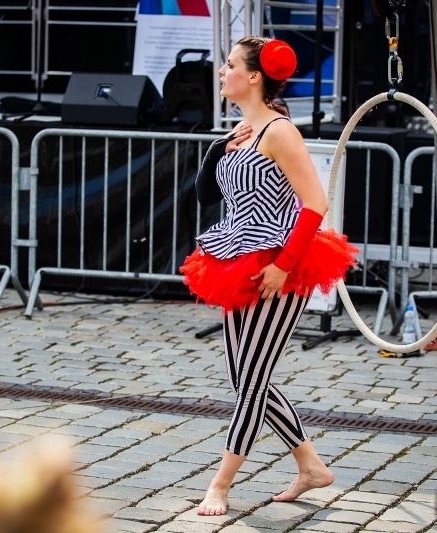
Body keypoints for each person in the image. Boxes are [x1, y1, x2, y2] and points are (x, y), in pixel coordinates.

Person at [179, 36, 359, 516]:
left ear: (254, 76)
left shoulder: (280, 132)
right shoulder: (243, 129)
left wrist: (283, 266)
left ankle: (219, 485)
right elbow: (204, 196)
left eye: (231, 64)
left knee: (252, 381)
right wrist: (219, 148)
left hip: (282, 262)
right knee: (246, 380)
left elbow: (315, 204)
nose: (222, 70)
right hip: (238, 258)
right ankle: (312, 467)